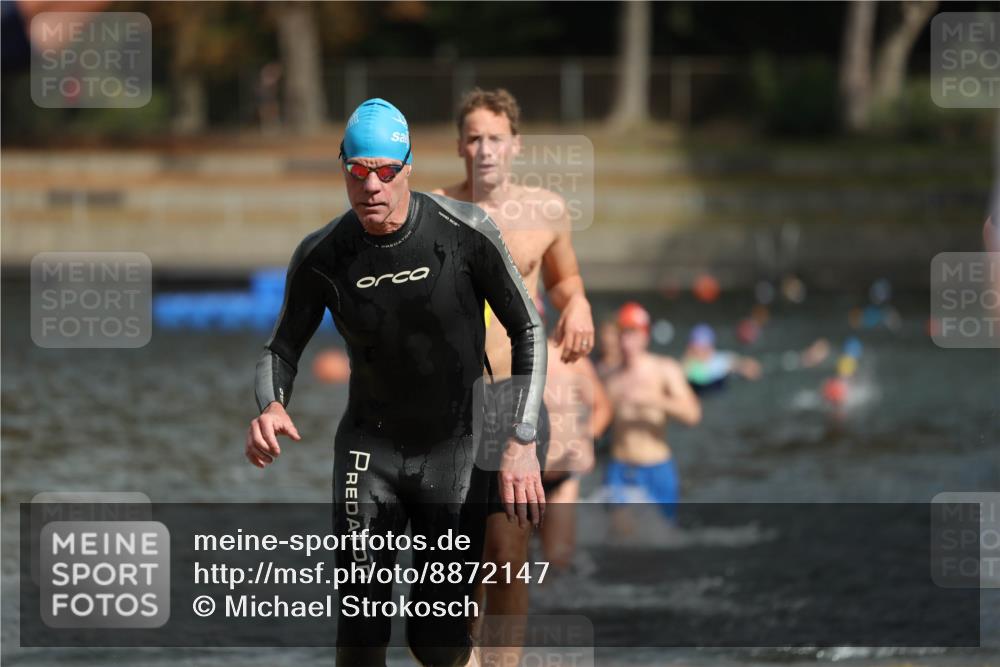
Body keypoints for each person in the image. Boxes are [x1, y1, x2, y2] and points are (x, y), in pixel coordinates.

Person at [245, 98, 547, 667]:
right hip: (368, 455)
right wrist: (269, 405)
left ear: (407, 167)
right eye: (358, 172)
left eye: (385, 171)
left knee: (437, 643)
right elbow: (280, 350)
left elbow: (527, 328)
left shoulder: (465, 232)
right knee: (359, 638)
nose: (372, 186)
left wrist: (523, 439)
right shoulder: (322, 255)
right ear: (343, 169)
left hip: (457, 453)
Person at [432, 87, 595, 665]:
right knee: (452, 563)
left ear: (515, 145)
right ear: (459, 145)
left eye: (494, 138)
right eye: (473, 138)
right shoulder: (434, 211)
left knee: (506, 556)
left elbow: (565, 282)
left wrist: (577, 306)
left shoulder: (547, 211)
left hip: (513, 401)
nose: (484, 149)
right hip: (446, 407)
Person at [603, 302, 702, 530]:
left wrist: (655, 400)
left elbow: (693, 415)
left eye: (632, 334)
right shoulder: (608, 375)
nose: (626, 341)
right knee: (622, 537)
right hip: (620, 468)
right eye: (622, 334)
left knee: (659, 541)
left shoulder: (664, 369)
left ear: (645, 336)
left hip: (657, 467)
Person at [539, 300, 612, 571]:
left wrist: (585, 441)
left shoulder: (569, 358)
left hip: (561, 476)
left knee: (557, 558)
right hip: (518, 478)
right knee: (509, 560)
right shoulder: (502, 360)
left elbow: (602, 407)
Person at [681, 323, 762, 395]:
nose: (701, 351)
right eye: (698, 348)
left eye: (705, 348)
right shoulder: (685, 366)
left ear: (711, 347)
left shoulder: (721, 360)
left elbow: (752, 368)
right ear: (690, 348)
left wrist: (743, 366)